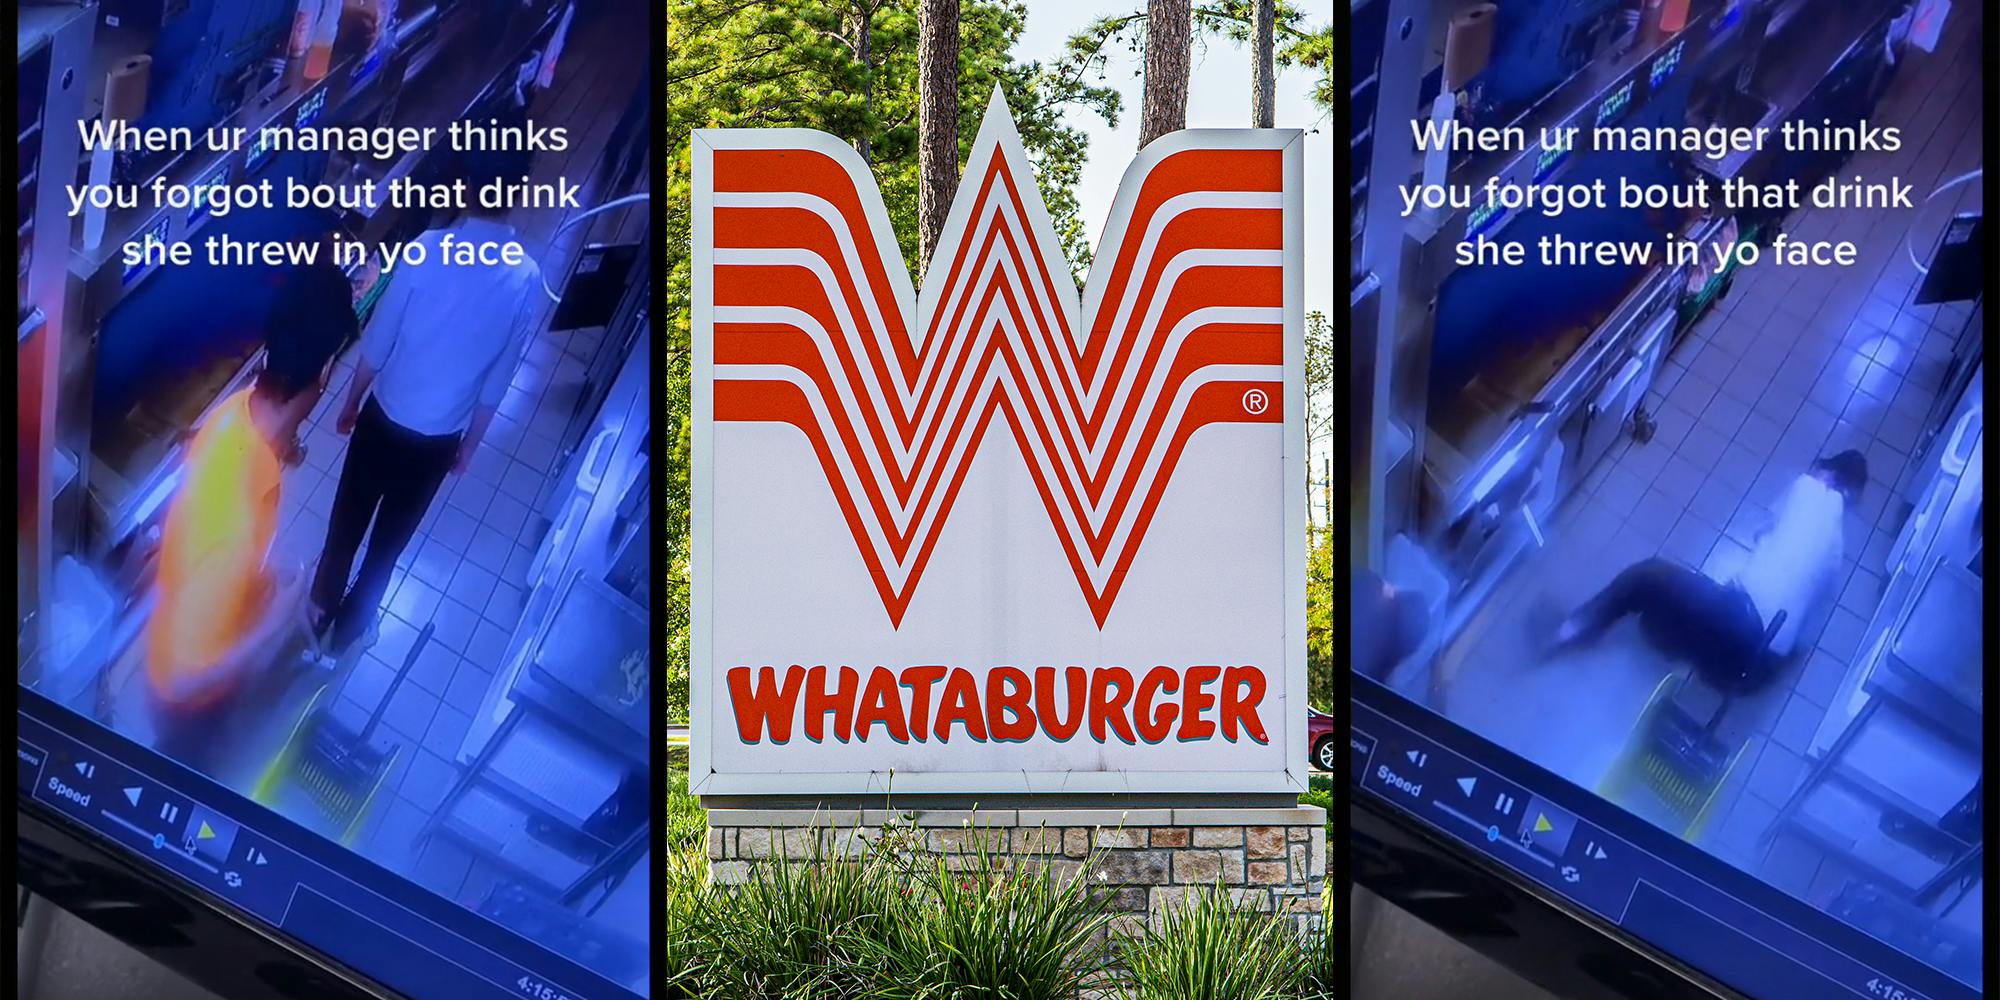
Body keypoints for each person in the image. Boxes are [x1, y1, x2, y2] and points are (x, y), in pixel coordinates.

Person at [311, 153, 542, 653]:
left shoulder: (426, 250)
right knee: (387, 547)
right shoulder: (525, 280)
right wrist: (468, 448)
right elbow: (497, 382)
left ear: (465, 192)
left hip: (383, 420)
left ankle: (318, 611)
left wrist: (352, 401)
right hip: (437, 443)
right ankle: (346, 634)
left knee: (346, 524)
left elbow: (379, 342)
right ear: (519, 195)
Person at [147, 237, 354, 760]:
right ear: (324, 372)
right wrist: (273, 621)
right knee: (193, 767)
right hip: (188, 700)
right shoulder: (234, 522)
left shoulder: (237, 411)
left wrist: (253, 583)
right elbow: (185, 680)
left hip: (199, 610)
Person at [1549, 450, 1867, 693]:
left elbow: (1763, 530)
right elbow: (1808, 619)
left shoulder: (1808, 486)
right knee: (1688, 615)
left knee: (1648, 576)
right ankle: (1673, 642)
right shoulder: (1836, 552)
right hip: (1748, 675)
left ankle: (1568, 632)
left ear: (1827, 472)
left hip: (1734, 622)